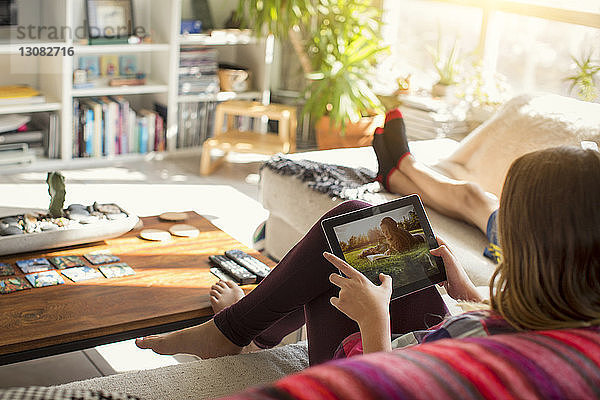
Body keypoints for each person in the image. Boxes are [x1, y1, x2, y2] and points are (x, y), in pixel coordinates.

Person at [136, 141, 599, 366]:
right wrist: (469, 293)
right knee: (362, 226)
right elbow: (527, 318)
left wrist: (373, 324)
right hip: (422, 343)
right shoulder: (576, 320)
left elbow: (384, 389)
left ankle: (237, 329)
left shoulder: (496, 352)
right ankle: (246, 329)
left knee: (343, 251)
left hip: (374, 365)